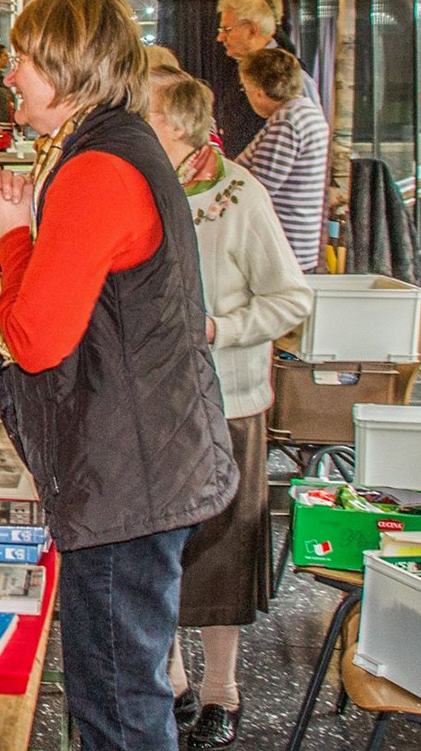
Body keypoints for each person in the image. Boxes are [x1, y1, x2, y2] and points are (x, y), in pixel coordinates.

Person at [0, 0, 238, 751]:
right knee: (119, 687)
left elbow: (36, 339)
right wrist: (10, 246)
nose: (10, 73)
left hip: (128, 476)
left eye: (23, 58)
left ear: (68, 64)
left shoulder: (98, 167)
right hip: (135, 463)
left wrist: (14, 235)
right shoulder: (107, 146)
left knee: (118, 703)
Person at [147, 68, 311, 749]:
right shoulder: (142, 188)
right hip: (155, 398)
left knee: (223, 546)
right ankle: (174, 676)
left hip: (229, 401)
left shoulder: (241, 196)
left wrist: (221, 328)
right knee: (160, 548)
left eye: (144, 112)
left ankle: (223, 686)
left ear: (179, 126)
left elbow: (292, 299)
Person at [235, 48, 330, 271]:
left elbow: (258, 187)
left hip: (286, 246)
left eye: (245, 88)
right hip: (298, 244)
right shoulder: (306, 111)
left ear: (258, 91)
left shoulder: (286, 123)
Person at [215, 0, 320, 154]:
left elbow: (312, 138)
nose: (220, 38)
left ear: (252, 30)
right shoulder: (243, 68)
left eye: (227, 30)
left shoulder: (290, 73)